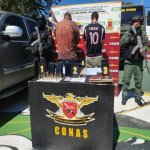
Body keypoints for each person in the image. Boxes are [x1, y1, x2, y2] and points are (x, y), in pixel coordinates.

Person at [120, 15, 148, 106]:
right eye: (135, 21)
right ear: (132, 22)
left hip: (138, 62)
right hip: (129, 61)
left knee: (138, 81)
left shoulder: (143, 34)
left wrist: (143, 49)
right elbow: (121, 44)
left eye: (138, 21)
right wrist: (129, 39)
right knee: (126, 81)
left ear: (140, 23)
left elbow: (146, 45)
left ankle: (137, 98)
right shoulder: (128, 33)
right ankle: (124, 97)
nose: (137, 23)